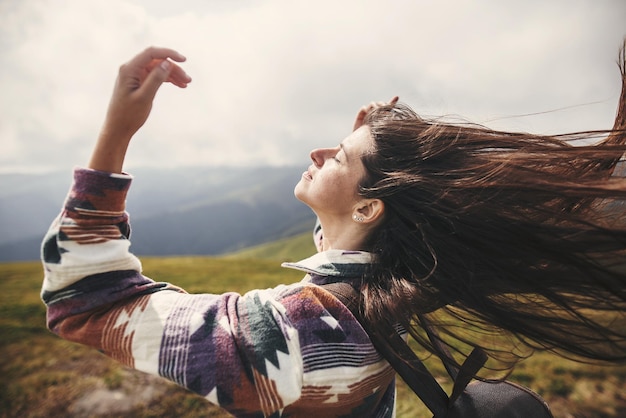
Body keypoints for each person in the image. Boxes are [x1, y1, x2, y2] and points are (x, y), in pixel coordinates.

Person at [41, 44, 626, 417]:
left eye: (338, 155)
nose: (318, 150)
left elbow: (85, 303)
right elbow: (344, 255)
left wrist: (115, 134)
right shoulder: (383, 287)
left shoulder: (288, 337)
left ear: (372, 210)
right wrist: (358, 168)